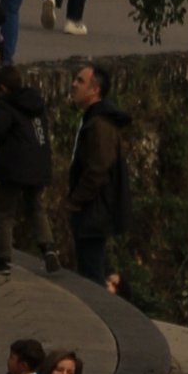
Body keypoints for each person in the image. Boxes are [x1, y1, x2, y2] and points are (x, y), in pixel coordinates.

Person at [63, 62, 129, 283]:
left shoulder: (99, 124)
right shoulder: (93, 119)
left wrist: (76, 199)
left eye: (80, 81)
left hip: (94, 209)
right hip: (93, 208)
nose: (74, 84)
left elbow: (99, 167)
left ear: (95, 89)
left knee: (91, 275)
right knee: (89, 268)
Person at [0, 65, 53, 269]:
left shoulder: (5, 104)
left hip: (14, 165)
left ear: (3, 88)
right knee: (35, 207)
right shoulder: (36, 103)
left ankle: (3, 256)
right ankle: (48, 247)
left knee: (5, 211)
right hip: (39, 163)